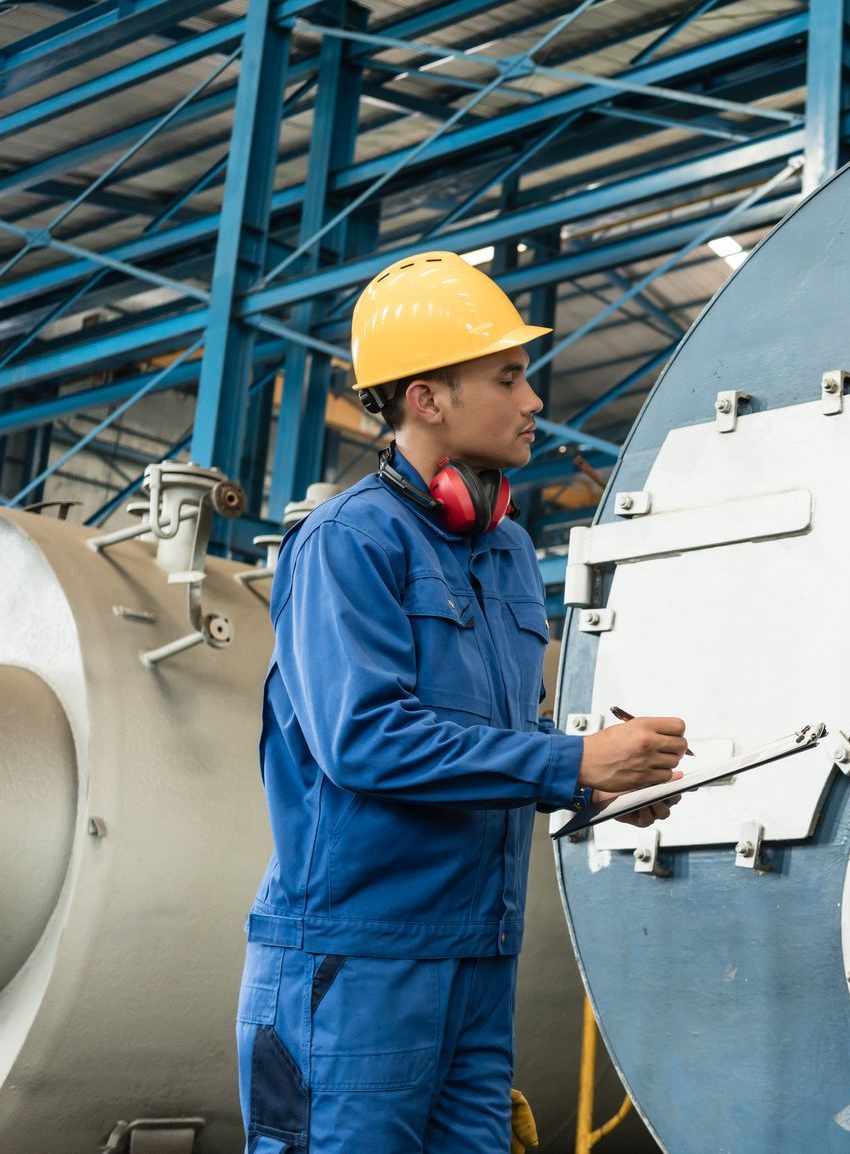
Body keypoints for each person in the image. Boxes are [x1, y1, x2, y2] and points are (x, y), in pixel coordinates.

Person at [236, 251, 687, 1152]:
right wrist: (567, 762)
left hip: (479, 959)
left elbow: (499, 737)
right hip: (356, 962)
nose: (534, 402)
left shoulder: (509, 551)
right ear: (425, 398)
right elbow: (363, 739)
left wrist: (601, 785)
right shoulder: (345, 543)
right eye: (509, 378)